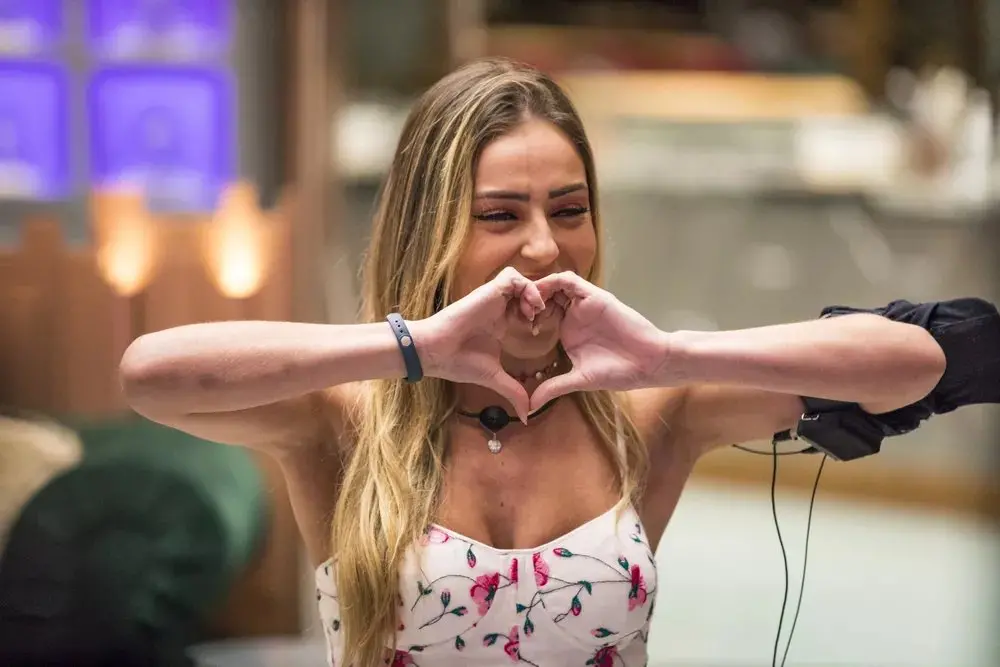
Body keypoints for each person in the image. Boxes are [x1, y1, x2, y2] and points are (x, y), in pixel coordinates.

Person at [119, 58, 950, 667]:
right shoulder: (344, 420)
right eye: (500, 215)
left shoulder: (651, 413)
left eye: (569, 209)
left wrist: (668, 354)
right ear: (431, 232)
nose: (546, 246)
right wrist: (413, 347)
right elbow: (150, 375)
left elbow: (912, 363)